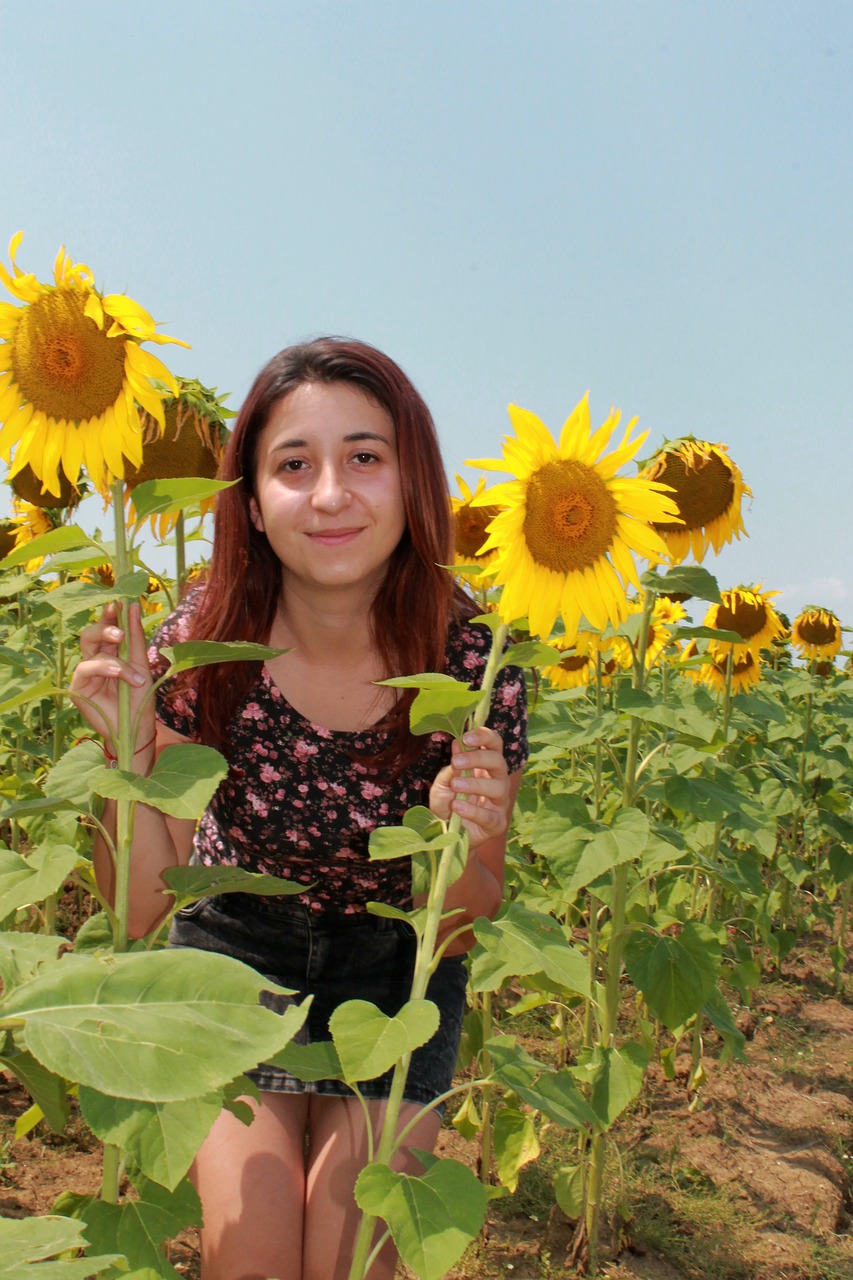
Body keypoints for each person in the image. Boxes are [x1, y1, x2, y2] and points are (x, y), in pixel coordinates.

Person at [70, 338, 528, 1280]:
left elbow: (467, 916)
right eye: (293, 464)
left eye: (365, 457)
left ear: (414, 484)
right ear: (250, 500)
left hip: (395, 977)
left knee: (353, 1251)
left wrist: (461, 838)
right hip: (237, 965)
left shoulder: (473, 661)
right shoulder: (204, 643)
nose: (329, 495)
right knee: (257, 1253)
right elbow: (144, 904)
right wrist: (129, 752)